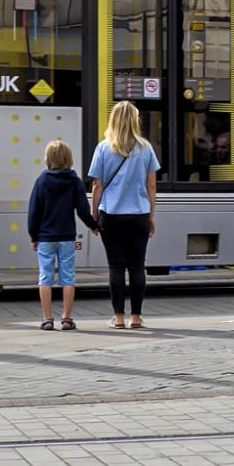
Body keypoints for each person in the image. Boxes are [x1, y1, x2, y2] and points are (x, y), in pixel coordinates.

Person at [88, 102, 160, 331]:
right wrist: (151, 216)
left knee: (116, 267)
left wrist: (94, 214)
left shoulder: (103, 148)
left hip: (111, 215)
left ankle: (119, 318)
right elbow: (151, 186)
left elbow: (97, 185)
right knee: (138, 267)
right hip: (138, 214)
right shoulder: (146, 148)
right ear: (135, 120)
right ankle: (136, 318)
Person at [28, 140, 97, 331]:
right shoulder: (74, 181)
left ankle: (47, 319)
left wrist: (33, 236)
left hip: (45, 238)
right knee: (68, 278)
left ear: (48, 159)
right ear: (68, 158)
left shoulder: (41, 180)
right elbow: (83, 209)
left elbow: (34, 212)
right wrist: (94, 226)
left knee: (45, 277)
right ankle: (67, 319)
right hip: (66, 236)